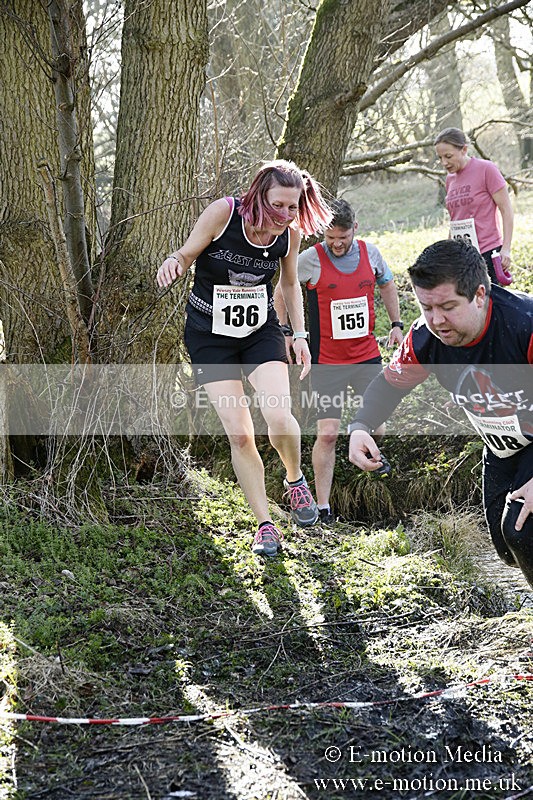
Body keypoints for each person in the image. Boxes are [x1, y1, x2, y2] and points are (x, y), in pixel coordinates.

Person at [157, 160, 332, 557]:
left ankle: (294, 478)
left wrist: (299, 335)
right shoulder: (224, 213)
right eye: (279, 206)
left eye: (293, 207)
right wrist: (174, 262)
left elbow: (289, 284)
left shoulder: (289, 235)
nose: (286, 215)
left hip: (260, 334)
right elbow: (187, 253)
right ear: (258, 195)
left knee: (278, 415)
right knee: (239, 433)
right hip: (209, 337)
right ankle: (265, 525)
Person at [347, 239, 533, 589]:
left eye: (448, 306)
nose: (437, 320)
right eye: (426, 307)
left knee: (522, 530)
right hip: (504, 446)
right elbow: (389, 385)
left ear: (479, 295)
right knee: (508, 547)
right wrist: (360, 426)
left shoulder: (525, 326)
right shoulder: (425, 338)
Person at [274, 199, 404, 524]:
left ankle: (365, 452)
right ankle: (323, 507)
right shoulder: (310, 260)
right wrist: (286, 331)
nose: (336, 243)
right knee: (328, 434)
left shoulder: (370, 253)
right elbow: (281, 290)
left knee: (379, 423)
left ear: (354, 229)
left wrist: (397, 325)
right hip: (327, 361)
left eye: (342, 237)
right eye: (331, 237)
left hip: (367, 357)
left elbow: (388, 285)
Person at [434, 127, 514, 285]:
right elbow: (456, 219)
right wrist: (449, 251)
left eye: (448, 156)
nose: (444, 162)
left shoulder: (486, 169)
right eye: (440, 157)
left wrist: (506, 248)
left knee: (492, 304)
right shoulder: (450, 180)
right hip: (463, 254)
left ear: (464, 149)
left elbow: (506, 210)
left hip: (489, 251)